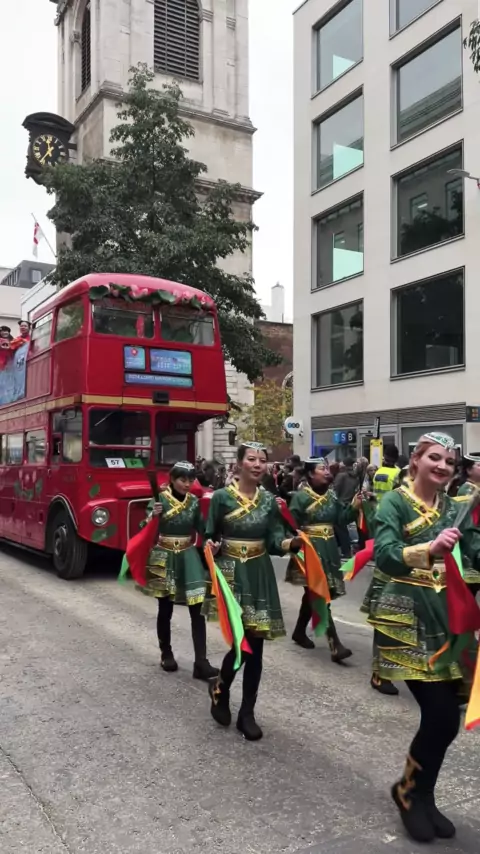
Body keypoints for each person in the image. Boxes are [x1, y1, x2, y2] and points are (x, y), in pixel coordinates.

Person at [370, 433, 480, 843]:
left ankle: (421, 794)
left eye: (449, 461)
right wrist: (429, 548)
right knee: (440, 714)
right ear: (415, 460)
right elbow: (385, 554)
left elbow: (473, 554)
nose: (443, 466)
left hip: (447, 616)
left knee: (446, 720)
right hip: (405, 614)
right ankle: (408, 793)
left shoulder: (456, 507)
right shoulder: (393, 502)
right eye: (435, 457)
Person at [205, 442, 301, 741]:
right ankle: (221, 688)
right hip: (231, 573)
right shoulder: (221, 498)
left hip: (259, 573)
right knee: (241, 643)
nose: (258, 465)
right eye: (251, 459)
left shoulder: (269, 501)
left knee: (256, 647)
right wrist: (211, 546)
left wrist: (291, 544)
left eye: (262, 460)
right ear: (239, 463)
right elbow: (209, 533)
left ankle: (247, 712)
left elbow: (274, 539)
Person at [142, 461, 218, 680]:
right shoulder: (159, 499)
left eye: (190, 480)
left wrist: (210, 540)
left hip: (188, 555)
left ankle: (201, 662)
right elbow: (143, 528)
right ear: (172, 479)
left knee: (197, 608)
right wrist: (153, 516)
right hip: (164, 555)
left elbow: (202, 528)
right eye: (182, 479)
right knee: (165, 608)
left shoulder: (193, 502)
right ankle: (166, 653)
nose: (187, 484)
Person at [287, 458, 361, 662]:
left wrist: (354, 507)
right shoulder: (301, 498)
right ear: (311, 474)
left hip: (329, 550)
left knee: (313, 594)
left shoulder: (332, 496)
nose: (327, 472)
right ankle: (335, 644)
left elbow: (341, 519)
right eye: (322, 469)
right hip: (309, 551)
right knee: (319, 594)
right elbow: (290, 524)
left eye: (328, 468)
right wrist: (294, 541)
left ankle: (299, 632)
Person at [333, 457, 358, 558]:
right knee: (342, 529)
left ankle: (345, 551)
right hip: (350, 504)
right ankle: (345, 550)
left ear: (344, 464)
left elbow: (335, 490)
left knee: (340, 529)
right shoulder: (355, 476)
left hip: (340, 504)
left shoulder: (341, 475)